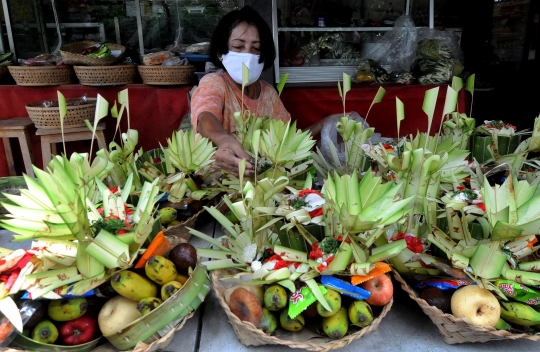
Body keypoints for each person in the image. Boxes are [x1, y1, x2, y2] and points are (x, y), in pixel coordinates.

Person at [191, 5, 326, 177]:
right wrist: (223, 139)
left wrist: (323, 124)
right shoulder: (214, 83)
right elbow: (205, 118)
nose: (248, 55)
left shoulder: (268, 94)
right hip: (217, 183)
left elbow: (287, 141)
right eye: (239, 47)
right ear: (220, 53)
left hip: (260, 183)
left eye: (256, 49)